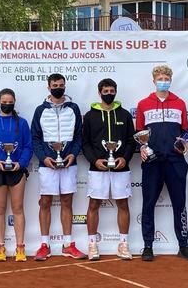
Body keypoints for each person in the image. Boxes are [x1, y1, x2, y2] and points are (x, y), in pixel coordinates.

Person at [135, 65, 188, 261]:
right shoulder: (143, 104)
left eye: (166, 77)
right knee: (148, 204)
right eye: (160, 77)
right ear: (153, 81)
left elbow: (186, 131)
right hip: (152, 162)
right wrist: (143, 148)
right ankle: (147, 246)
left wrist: (185, 144)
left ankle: (184, 245)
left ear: (170, 80)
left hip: (175, 161)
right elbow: (138, 133)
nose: (163, 80)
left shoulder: (179, 103)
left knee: (180, 204)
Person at [31, 73, 86, 261]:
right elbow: (35, 138)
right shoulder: (40, 110)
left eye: (61, 85)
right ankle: (44, 245)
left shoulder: (73, 108)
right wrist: (44, 157)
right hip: (47, 165)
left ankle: (68, 244)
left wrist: (73, 153)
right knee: (45, 202)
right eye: (55, 85)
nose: (58, 87)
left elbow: (79, 135)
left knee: (66, 202)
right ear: (48, 87)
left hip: (69, 163)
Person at [82, 78, 136, 261]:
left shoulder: (125, 115)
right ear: (99, 93)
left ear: (116, 91)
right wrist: (94, 160)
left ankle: (123, 244)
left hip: (121, 167)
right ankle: (92, 244)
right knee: (94, 205)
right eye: (105, 91)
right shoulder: (90, 116)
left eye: (112, 90)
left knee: (123, 204)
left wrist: (124, 157)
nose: (109, 94)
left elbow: (131, 140)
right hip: (97, 168)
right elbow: (85, 143)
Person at [0, 88, 33, 262]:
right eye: (4, 102)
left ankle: (20, 247)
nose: (7, 104)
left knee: (18, 208)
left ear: (14, 102)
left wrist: (21, 163)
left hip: (17, 171)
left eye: (10, 102)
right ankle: (0, 247)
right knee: (0, 209)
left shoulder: (22, 122)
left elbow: (28, 146)